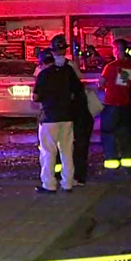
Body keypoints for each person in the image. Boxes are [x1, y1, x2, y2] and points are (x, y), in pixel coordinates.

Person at [33, 43, 84, 193]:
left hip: (49, 118)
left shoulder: (43, 74)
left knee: (48, 152)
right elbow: (78, 90)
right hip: (67, 116)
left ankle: (49, 185)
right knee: (67, 151)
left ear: (42, 62)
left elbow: (36, 96)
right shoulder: (67, 71)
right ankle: (67, 183)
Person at [99, 38, 131, 172]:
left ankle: (112, 162)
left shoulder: (110, 67)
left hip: (111, 105)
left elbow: (102, 84)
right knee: (125, 134)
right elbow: (129, 86)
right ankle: (127, 163)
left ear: (116, 50)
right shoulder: (128, 67)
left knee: (109, 134)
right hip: (125, 105)